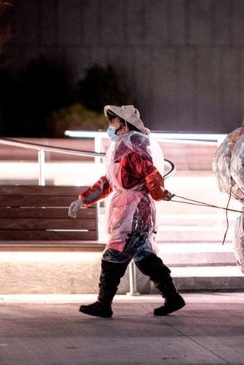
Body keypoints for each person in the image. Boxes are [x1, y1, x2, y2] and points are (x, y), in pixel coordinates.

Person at [68, 105, 185, 318]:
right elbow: (110, 182)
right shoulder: (123, 149)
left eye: (113, 122)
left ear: (124, 125)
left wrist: (159, 193)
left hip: (134, 213)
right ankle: (172, 297)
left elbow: (150, 173)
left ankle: (104, 304)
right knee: (144, 256)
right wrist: (83, 199)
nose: (110, 126)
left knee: (114, 255)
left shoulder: (133, 149)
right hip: (132, 211)